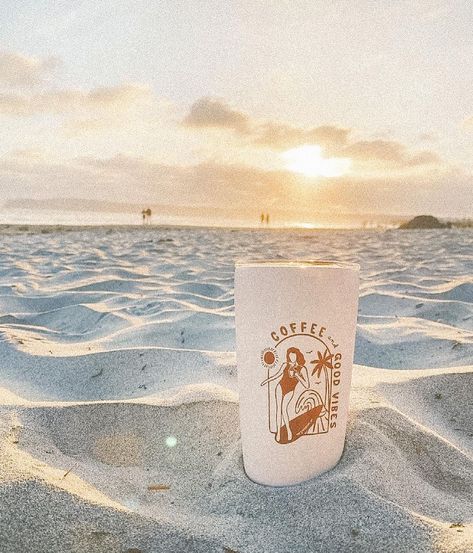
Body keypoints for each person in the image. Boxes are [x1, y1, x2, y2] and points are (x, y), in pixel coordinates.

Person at [260, 347, 310, 442]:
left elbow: (307, 385)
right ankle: (278, 431)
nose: (292, 358)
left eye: (294, 356)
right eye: (290, 356)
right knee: (279, 410)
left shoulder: (302, 368)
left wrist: (297, 375)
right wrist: (266, 381)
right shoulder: (285, 365)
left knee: (284, 409)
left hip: (290, 390)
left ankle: (288, 431)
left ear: (297, 356)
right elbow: (277, 375)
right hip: (280, 387)